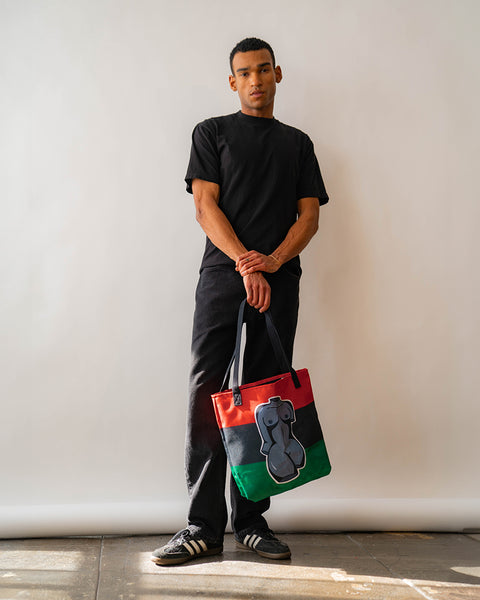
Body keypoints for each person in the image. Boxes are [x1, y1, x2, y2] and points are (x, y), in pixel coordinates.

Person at [151, 37, 329, 566]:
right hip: (223, 277)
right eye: (245, 73)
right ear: (233, 82)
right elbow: (205, 208)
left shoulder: (298, 144)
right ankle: (202, 526)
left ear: (278, 74)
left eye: (263, 70)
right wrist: (248, 264)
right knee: (208, 390)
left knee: (264, 395)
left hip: (280, 278)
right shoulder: (211, 133)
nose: (255, 80)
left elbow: (310, 217)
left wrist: (272, 261)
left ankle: (251, 522)